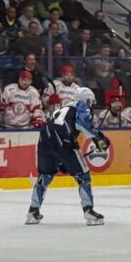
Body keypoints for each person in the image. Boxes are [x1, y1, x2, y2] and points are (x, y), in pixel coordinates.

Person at [26, 86, 110, 226]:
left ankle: (32, 212)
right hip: (63, 141)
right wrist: (98, 137)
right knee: (83, 176)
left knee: (45, 175)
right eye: (91, 101)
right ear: (86, 100)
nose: (91, 104)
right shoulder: (81, 106)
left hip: (44, 140)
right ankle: (89, 212)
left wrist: (61, 160)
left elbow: (58, 126)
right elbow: (83, 123)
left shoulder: (63, 108)